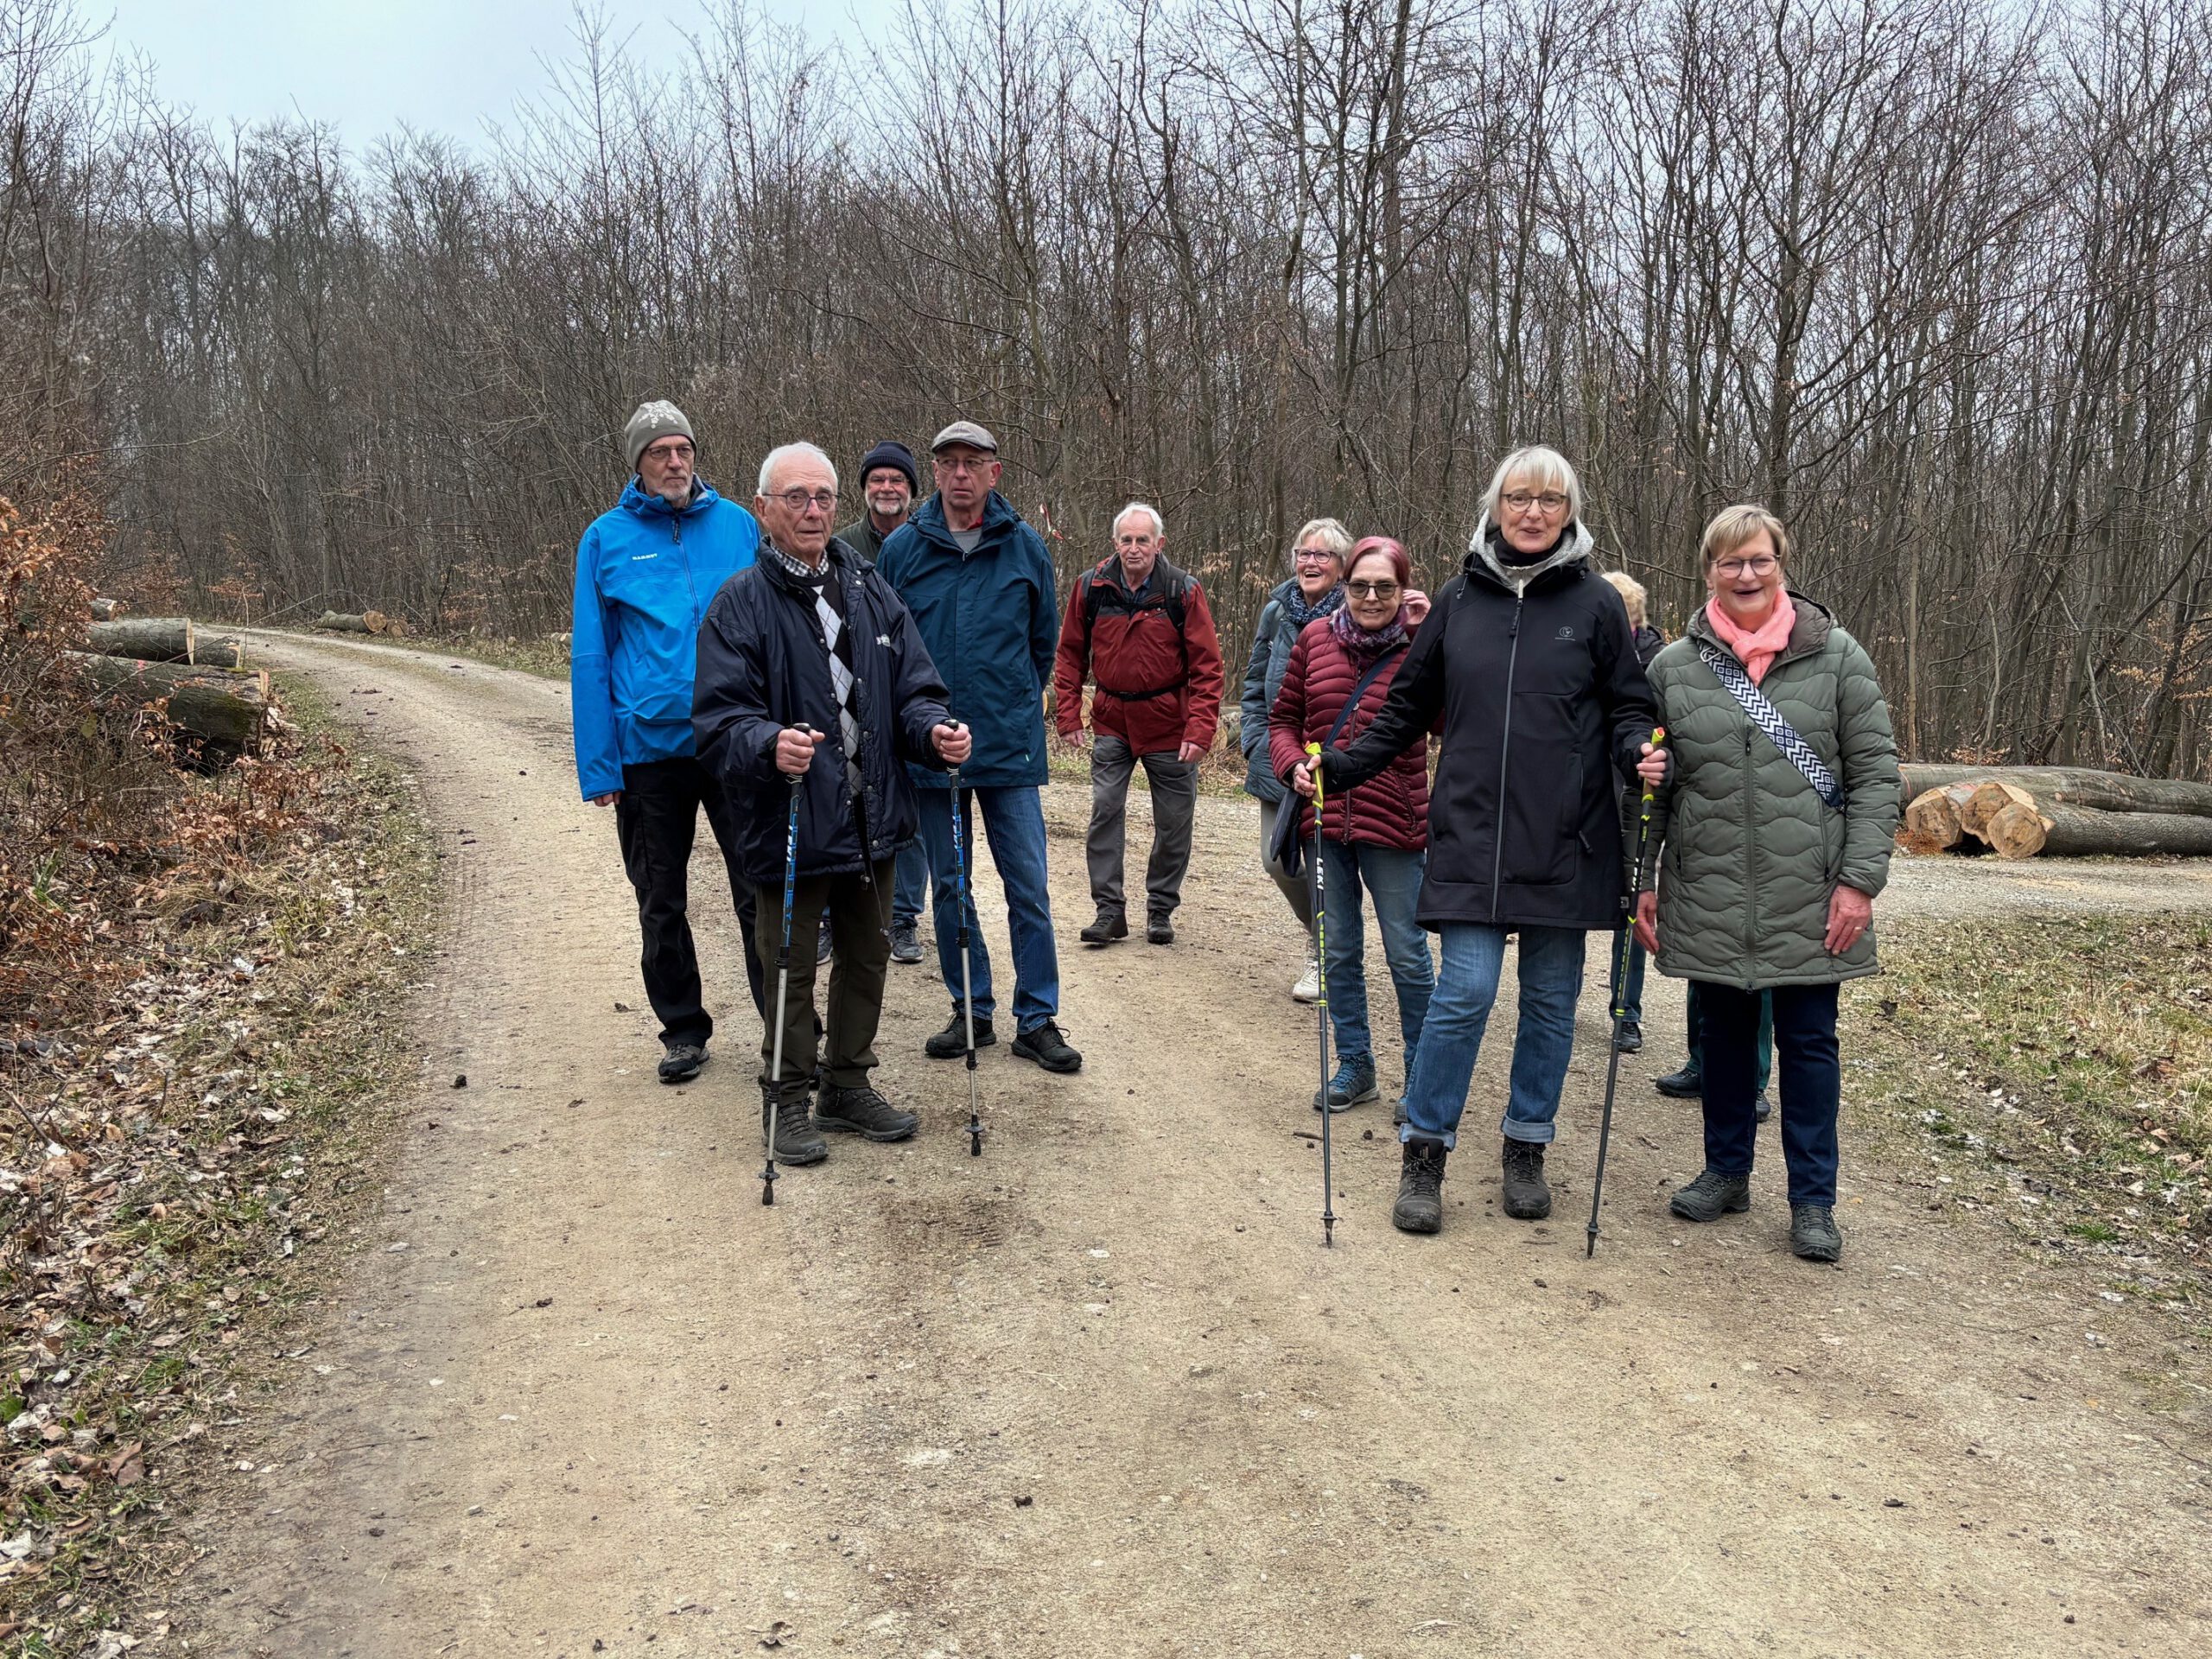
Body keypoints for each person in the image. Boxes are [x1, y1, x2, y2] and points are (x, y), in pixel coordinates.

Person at [1294, 446, 1656, 1236]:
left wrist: (1639, 754)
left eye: (1550, 501)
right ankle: (1424, 1151)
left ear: (1571, 513)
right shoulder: (1458, 602)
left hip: (1567, 837)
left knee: (1553, 1001)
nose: (1533, 513)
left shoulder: (1595, 605)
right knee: (1465, 993)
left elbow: (1631, 708)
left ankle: (1527, 1144)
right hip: (1470, 832)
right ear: (1495, 507)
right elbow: (1402, 709)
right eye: (1519, 498)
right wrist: (1340, 767)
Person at [1632, 504, 1902, 1263]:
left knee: (1809, 1046)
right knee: (1720, 1037)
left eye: (1759, 560)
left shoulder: (1839, 656)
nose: (1745, 575)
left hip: (1811, 890)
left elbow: (1878, 775)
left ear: (1781, 564)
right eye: (1730, 562)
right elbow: (1652, 788)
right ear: (1708, 570)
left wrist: (1858, 881)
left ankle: (1813, 1201)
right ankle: (1726, 1171)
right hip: (1709, 881)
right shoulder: (1672, 669)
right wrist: (1643, 880)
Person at [692, 442, 972, 1167]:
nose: (813, 510)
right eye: (796, 498)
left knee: (868, 954)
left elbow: (915, 687)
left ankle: (846, 1083)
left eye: (822, 497)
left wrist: (934, 729)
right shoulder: (739, 604)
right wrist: (766, 743)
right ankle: (785, 1098)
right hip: (788, 816)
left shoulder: (872, 589)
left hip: (872, 814)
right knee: (787, 963)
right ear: (765, 509)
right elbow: (718, 721)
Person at [570, 399, 766, 1086]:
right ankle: (683, 1030)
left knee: (760, 888)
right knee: (661, 897)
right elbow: (592, 656)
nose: (674, 462)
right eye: (659, 453)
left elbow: (774, 630)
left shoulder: (740, 526)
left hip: (734, 741)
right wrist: (600, 763)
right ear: (638, 464)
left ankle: (785, 1024)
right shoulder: (606, 538)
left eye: (682, 449)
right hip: (648, 752)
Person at [879, 420, 1083, 1074]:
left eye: (974, 462)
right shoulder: (903, 552)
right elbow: (886, 649)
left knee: (1028, 886)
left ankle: (1037, 1018)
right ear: (933, 473)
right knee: (950, 887)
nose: (961, 473)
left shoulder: (1025, 547)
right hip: (931, 749)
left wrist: (1014, 700)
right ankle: (972, 1007)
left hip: (1009, 748)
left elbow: (1042, 645)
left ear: (995, 472)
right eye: (949, 462)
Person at [1268, 536, 1433, 1116]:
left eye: (1384, 587)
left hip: (1396, 821)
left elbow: (1448, 717)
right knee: (1338, 950)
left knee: (1407, 954)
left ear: (1404, 590)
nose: (1370, 597)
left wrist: (1430, 635)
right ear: (1344, 587)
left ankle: (1423, 1074)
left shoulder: (1421, 646)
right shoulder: (1314, 640)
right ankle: (1355, 1065)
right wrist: (1290, 766)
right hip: (1324, 819)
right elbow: (1282, 718)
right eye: (1359, 585)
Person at [1052, 502, 1225, 946]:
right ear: (1115, 543)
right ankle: (1109, 911)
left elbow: (1208, 667)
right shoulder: (1091, 587)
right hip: (1112, 719)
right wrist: (1068, 713)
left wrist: (1200, 729)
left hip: (1169, 723)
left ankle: (1160, 908)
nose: (1133, 548)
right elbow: (1070, 654)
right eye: (1126, 540)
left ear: (1159, 544)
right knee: (1105, 810)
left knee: (1174, 822)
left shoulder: (1182, 591)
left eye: (1142, 540)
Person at [1242, 519, 1350, 1001]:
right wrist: (1254, 742)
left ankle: (1327, 955)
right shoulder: (1275, 612)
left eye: (1322, 555)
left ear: (1342, 565)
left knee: (1329, 865)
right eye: (1304, 553)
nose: (1310, 562)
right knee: (1278, 862)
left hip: (1336, 763)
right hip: (1279, 759)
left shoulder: (1356, 610)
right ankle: (1326, 937)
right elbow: (1253, 684)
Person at [835, 439, 932, 966]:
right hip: (849, 693)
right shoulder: (841, 544)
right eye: (878, 480)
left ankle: (903, 916)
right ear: (865, 488)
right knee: (843, 806)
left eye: (897, 481)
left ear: (912, 490)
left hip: (909, 694)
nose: (887, 488)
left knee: (905, 808)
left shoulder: (925, 542)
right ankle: (834, 917)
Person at [1601, 569, 1664, 1054]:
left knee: (1633, 902)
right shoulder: (1582, 654)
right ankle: (1563, 998)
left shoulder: (1657, 662)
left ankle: (1627, 1011)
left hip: (1635, 794)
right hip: (1588, 790)